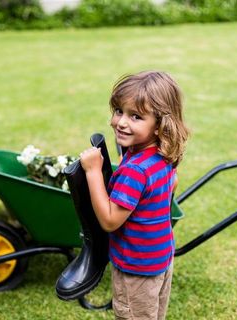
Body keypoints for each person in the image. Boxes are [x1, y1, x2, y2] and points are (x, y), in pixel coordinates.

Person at [79, 70, 189, 319]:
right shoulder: (161, 155)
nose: (121, 122)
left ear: (160, 125)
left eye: (136, 116)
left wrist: (94, 171)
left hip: (136, 267)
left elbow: (109, 220)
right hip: (160, 257)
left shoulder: (135, 171)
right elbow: (172, 182)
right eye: (119, 111)